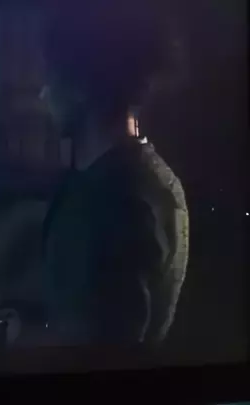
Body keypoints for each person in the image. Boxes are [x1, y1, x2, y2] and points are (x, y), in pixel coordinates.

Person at [40, 2, 189, 347]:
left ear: (81, 87)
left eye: (52, 78)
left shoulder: (121, 202)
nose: (43, 93)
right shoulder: (124, 180)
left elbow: (105, 353)